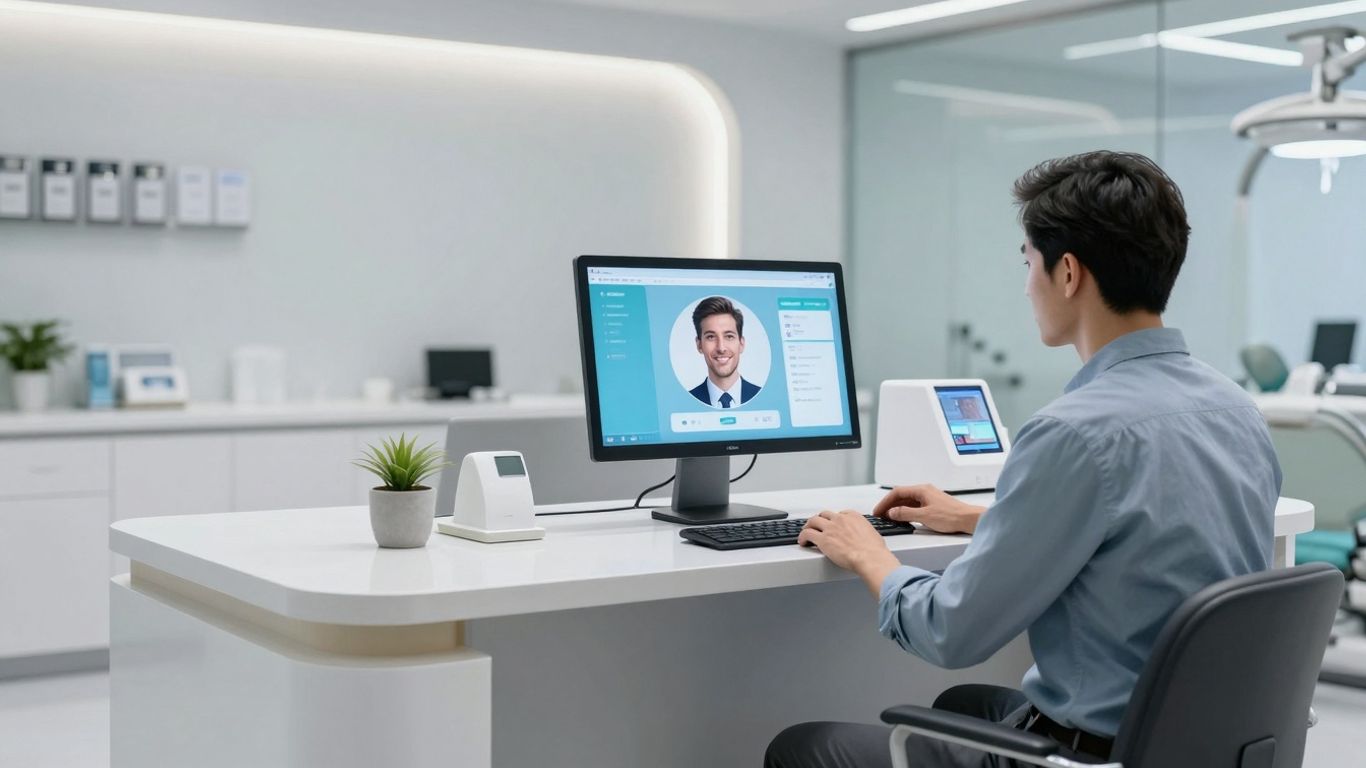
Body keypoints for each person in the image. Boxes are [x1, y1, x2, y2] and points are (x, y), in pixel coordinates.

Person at [765, 151, 1281, 767]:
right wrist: (983, 518)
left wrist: (868, 554)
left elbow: (949, 632)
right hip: (1195, 744)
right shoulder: (1237, 409)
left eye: (1028, 262)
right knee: (963, 704)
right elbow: (1155, 538)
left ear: (1068, 273)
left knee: (806, 749)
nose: (1026, 284)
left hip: (1097, 758)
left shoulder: (1074, 432)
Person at [688, 296, 761, 408]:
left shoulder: (760, 396)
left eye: (729, 336)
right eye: (711, 337)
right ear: (699, 345)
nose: (721, 348)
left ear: (741, 344)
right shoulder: (687, 401)